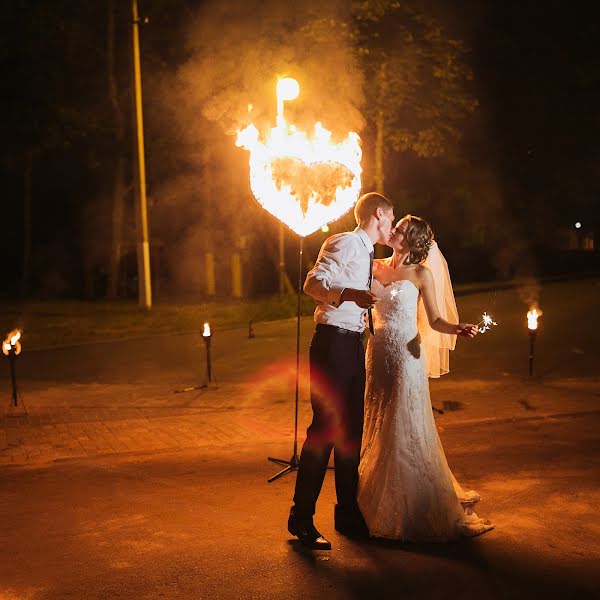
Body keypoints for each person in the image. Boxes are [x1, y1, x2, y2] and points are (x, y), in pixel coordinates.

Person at [357, 215, 495, 541]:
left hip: (407, 355)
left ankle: (410, 504)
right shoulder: (372, 266)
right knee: (377, 419)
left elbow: (434, 319)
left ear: (412, 239)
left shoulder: (422, 274)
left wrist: (456, 328)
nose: (392, 231)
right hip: (377, 353)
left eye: (400, 229)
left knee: (401, 423)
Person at [288, 192, 395, 549]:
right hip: (332, 344)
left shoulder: (366, 252)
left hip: (351, 345)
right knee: (325, 430)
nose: (391, 227)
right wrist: (349, 293)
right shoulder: (346, 242)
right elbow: (312, 283)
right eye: (390, 219)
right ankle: (301, 519)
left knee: (350, 433)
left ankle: (346, 513)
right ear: (378, 214)